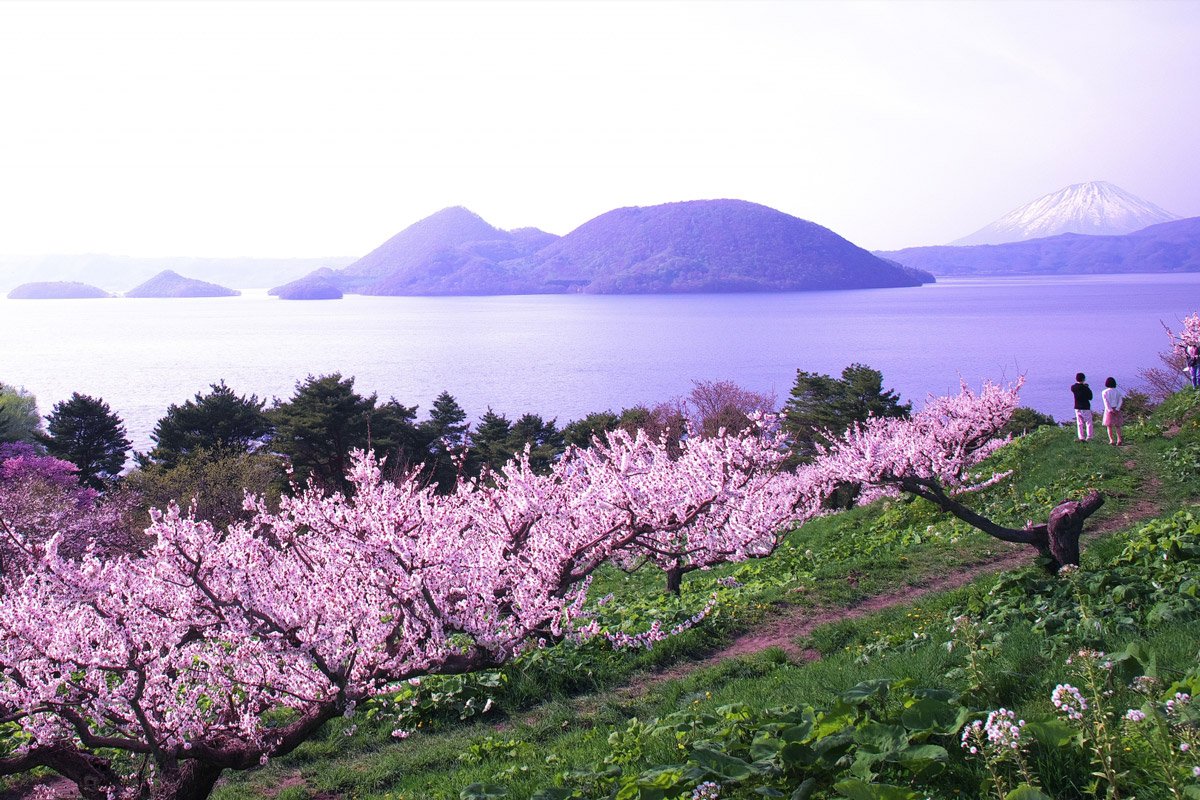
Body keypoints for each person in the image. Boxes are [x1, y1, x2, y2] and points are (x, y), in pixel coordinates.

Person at [1101, 376, 1124, 446]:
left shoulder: (1104, 392)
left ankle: (1111, 440)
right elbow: (1120, 401)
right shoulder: (1118, 392)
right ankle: (1119, 439)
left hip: (1109, 410)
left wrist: (1110, 410)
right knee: (1118, 426)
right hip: (1117, 409)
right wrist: (1117, 409)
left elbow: (1106, 402)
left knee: (1109, 426)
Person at [1071, 372, 1093, 442]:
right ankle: (1089, 436)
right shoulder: (1085, 388)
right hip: (1085, 406)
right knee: (1088, 422)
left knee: (1079, 423)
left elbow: (1074, 387)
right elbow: (1090, 397)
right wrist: (1087, 387)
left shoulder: (1073, 387)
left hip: (1077, 407)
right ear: (1084, 379)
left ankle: (1081, 437)